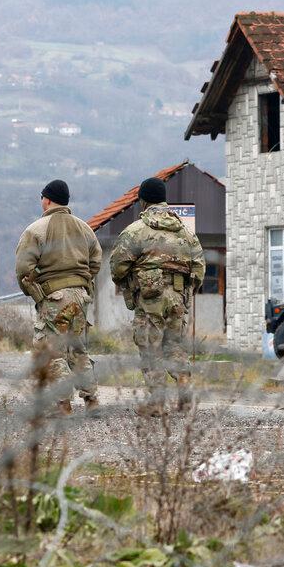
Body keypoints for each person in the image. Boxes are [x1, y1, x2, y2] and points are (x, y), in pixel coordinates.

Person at [110, 177, 205, 416]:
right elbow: (199, 267)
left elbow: (118, 267)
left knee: (150, 348)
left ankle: (157, 404)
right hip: (178, 298)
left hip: (150, 298)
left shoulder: (136, 231)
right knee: (174, 346)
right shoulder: (186, 232)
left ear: (142, 202)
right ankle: (184, 396)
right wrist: (184, 291)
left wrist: (132, 280)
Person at [15, 179, 102, 414]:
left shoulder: (36, 230)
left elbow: (24, 268)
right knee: (77, 349)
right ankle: (91, 400)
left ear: (47, 200)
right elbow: (95, 262)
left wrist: (37, 293)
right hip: (80, 296)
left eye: (42, 197)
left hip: (55, 297)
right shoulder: (85, 228)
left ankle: (63, 403)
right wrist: (83, 284)